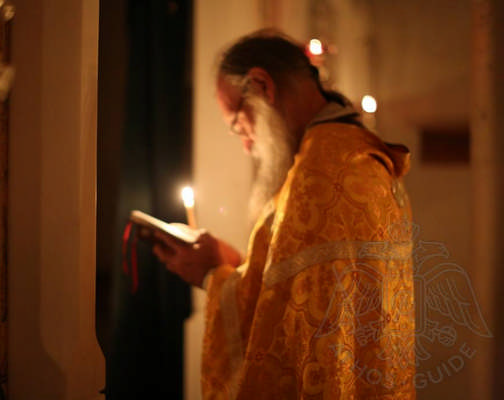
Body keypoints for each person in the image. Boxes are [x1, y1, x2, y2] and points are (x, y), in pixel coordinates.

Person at [153, 30, 416, 399]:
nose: (246, 145)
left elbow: (282, 349)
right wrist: (240, 267)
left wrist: (213, 275)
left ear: (262, 86)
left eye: (238, 125)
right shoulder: (360, 155)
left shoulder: (318, 179)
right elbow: (306, 301)